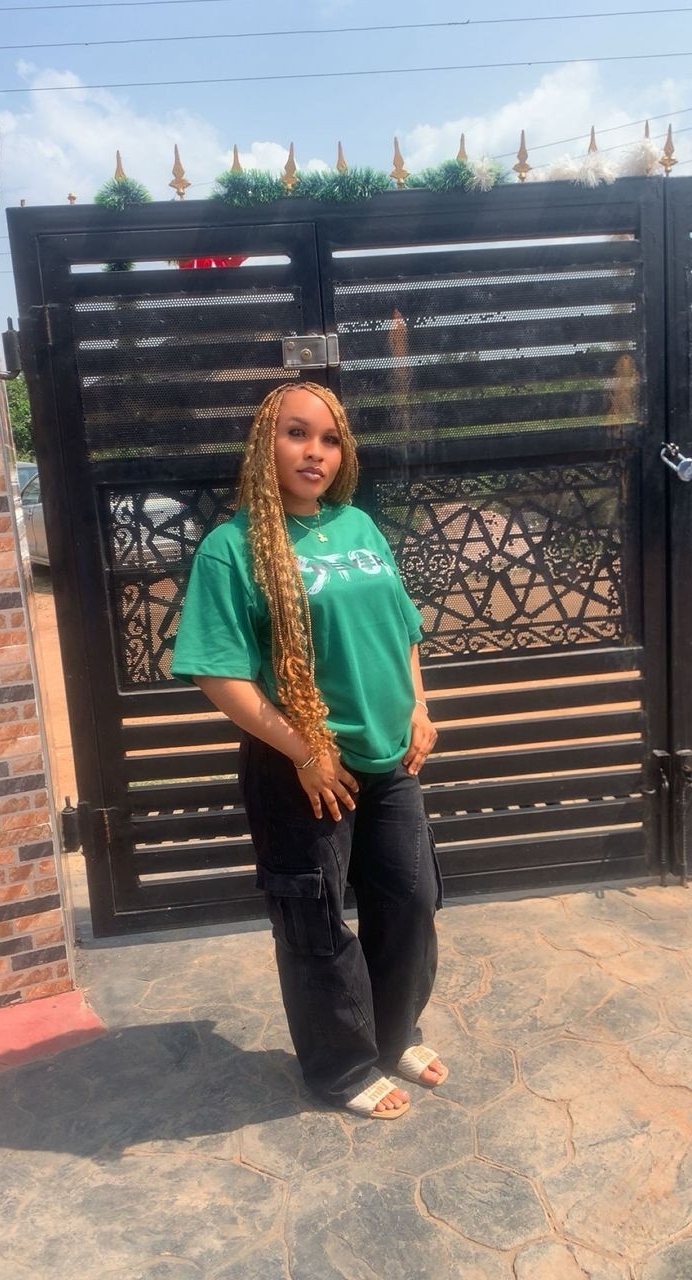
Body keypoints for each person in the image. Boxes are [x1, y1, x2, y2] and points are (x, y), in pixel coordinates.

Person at [172, 382, 446, 1119]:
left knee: (411, 901)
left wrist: (420, 706)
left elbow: (405, 629)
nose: (314, 452)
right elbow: (219, 673)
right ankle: (342, 1067)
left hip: (390, 757)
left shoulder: (358, 526)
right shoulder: (231, 550)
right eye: (296, 434)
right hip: (301, 767)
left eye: (329, 439)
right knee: (316, 922)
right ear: (265, 446)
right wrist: (304, 751)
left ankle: (393, 1033)